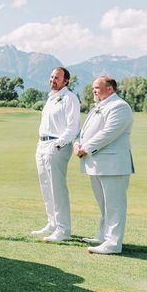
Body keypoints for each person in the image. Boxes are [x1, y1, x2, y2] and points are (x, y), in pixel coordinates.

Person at [74, 76, 134, 254]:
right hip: (97, 164)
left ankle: (113, 243)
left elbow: (109, 133)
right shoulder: (97, 107)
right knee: (104, 205)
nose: (94, 90)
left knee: (114, 205)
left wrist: (85, 148)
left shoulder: (120, 107)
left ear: (110, 89)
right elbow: (83, 132)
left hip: (113, 164)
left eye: (97, 87)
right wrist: (77, 143)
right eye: (93, 87)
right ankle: (103, 236)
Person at [32, 67, 80, 242]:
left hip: (57, 145)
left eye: (57, 78)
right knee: (46, 186)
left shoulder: (70, 98)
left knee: (57, 188)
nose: (53, 79)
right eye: (52, 76)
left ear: (66, 81)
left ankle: (63, 229)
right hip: (42, 144)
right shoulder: (51, 98)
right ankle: (52, 223)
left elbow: (72, 127)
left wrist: (57, 145)